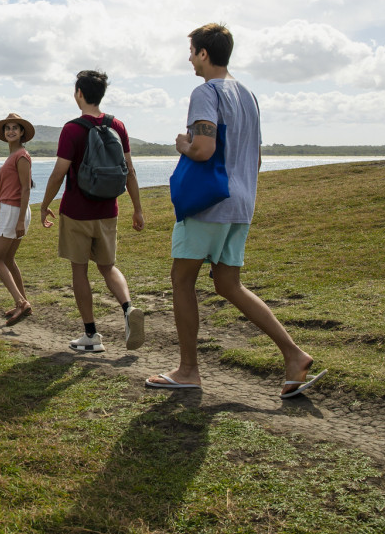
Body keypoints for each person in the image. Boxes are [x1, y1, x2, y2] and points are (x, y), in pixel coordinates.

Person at [146, 23, 327, 398]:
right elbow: (256, 158)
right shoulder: (248, 95)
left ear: (203, 54)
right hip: (242, 204)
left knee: (182, 280)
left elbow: (203, 149)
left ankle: (188, 370)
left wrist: (184, 144)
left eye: (192, 51)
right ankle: (293, 355)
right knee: (229, 284)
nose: (189, 58)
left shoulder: (205, 92)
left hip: (209, 203)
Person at [39, 70, 146, 353]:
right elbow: (130, 170)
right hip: (109, 209)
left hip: (76, 211)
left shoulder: (72, 129)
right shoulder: (118, 126)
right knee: (108, 266)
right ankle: (128, 308)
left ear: (79, 94)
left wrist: (44, 203)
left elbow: (59, 172)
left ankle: (91, 335)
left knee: (79, 270)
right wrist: (137, 209)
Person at [0, 113, 35, 326]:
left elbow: (25, 189)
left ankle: (20, 301)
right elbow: (8, 189)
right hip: (9, 211)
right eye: (7, 128)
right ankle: (22, 303)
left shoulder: (22, 155)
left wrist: (17, 220)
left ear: (22, 132)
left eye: (15, 128)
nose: (11, 131)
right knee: (8, 260)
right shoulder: (14, 155)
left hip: (14, 210)